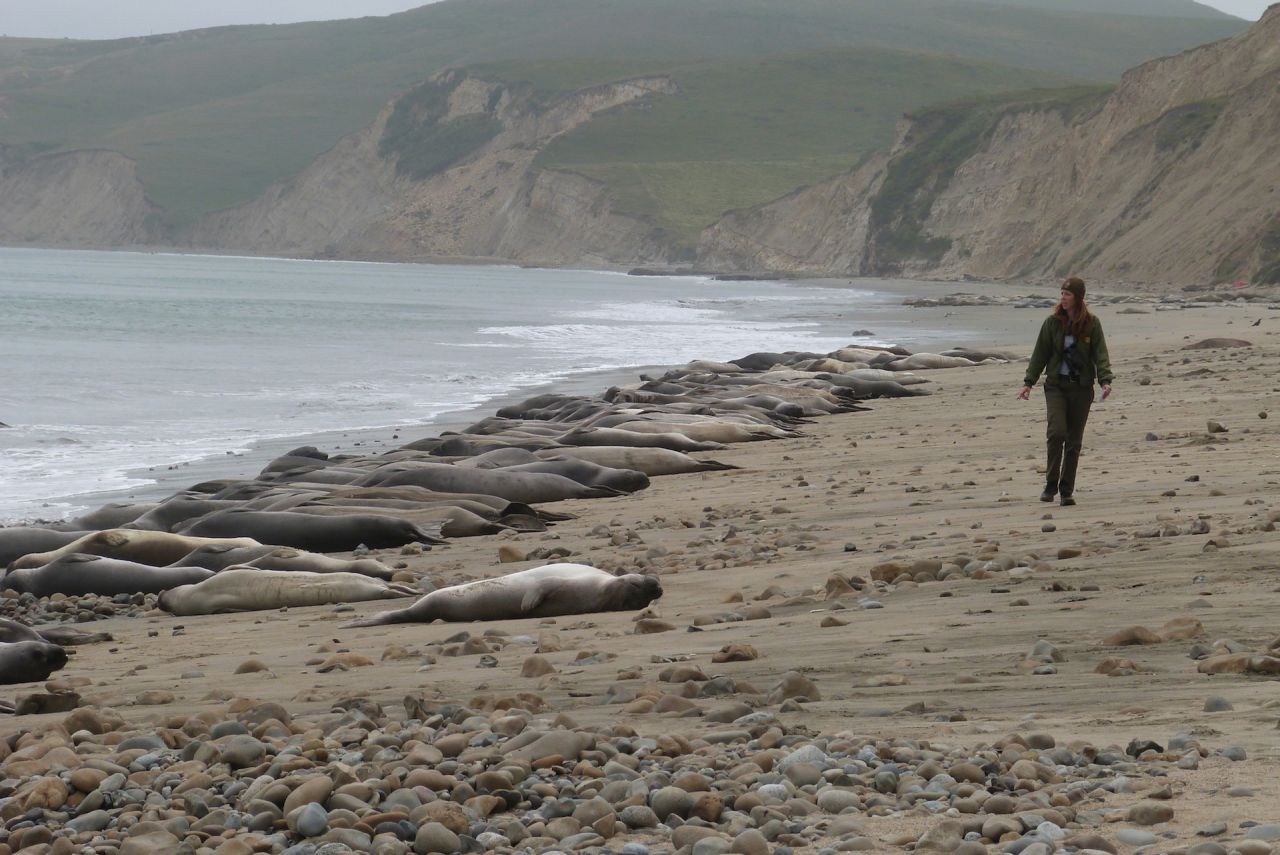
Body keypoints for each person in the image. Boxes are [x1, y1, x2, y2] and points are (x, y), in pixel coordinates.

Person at [1017, 277, 1113, 506]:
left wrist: (1105, 380)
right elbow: (1039, 353)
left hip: (1081, 389)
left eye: (1067, 294)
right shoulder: (1052, 323)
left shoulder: (1091, 323)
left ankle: (1066, 490)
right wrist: (1028, 382)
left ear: (1078, 298)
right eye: (1061, 293)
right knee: (1056, 432)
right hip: (1056, 387)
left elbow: (1100, 353)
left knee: (1073, 441)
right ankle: (1050, 485)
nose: (1063, 298)